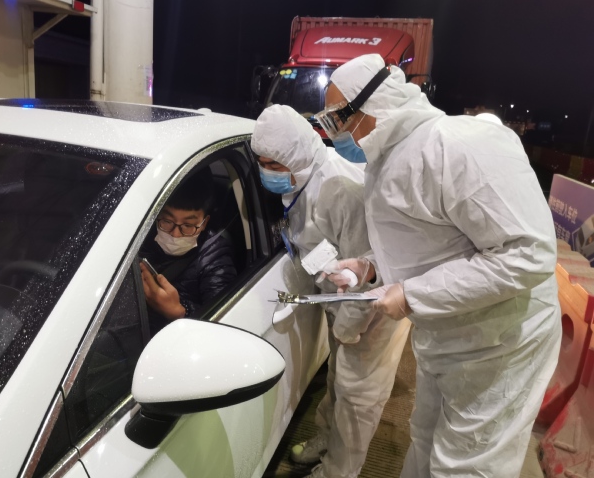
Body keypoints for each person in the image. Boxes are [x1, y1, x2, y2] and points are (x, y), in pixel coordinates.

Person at [317, 53, 561, 478]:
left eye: (337, 118)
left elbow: (527, 253)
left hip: (501, 342)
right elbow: (428, 245)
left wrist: (413, 294)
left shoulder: (457, 144)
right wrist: (368, 267)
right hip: (449, 335)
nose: (333, 133)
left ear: (373, 105)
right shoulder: (387, 159)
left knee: (467, 465)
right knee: (426, 439)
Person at [251, 104, 411, 478]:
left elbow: (368, 273)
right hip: (339, 297)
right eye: (261, 163)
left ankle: (339, 471)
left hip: (372, 308)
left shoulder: (343, 191)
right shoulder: (301, 178)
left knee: (359, 395)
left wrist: (349, 328)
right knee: (338, 378)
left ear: (298, 155)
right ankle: (326, 438)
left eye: (274, 164)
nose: (266, 172)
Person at [139, 169, 237, 334]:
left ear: (204, 223)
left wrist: (180, 311)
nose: (175, 234)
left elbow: (222, 324)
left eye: (188, 225)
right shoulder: (141, 236)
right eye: (167, 221)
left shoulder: (215, 256)